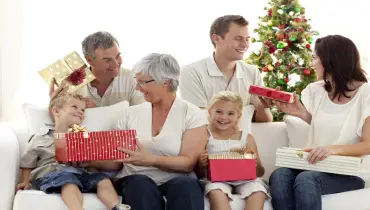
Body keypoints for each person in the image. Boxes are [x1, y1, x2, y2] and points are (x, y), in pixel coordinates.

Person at [269, 35, 370, 210]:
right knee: (280, 175)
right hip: (318, 164)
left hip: (352, 171)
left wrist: (330, 149)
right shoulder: (316, 90)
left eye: (315, 57)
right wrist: (299, 112)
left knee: (306, 179)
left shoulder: (366, 93)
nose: (312, 63)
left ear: (331, 60)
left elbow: (368, 145)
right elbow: (326, 123)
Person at [111, 53, 208, 210]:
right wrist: (89, 161)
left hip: (178, 178)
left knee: (187, 186)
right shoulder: (129, 114)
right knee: (140, 184)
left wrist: (151, 159)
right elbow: (115, 160)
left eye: (142, 82)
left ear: (165, 82)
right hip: (135, 178)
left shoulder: (192, 114)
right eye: (137, 81)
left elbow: (188, 163)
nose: (137, 87)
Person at [17, 93, 130, 210]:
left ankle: (116, 207)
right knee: (69, 180)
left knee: (103, 179)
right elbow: (27, 161)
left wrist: (88, 161)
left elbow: (93, 166)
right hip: (51, 175)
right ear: (56, 111)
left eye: (83, 110)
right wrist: (25, 181)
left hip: (80, 174)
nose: (80, 111)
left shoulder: (85, 137)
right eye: (74, 107)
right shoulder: (41, 136)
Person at [179, 15, 272, 122]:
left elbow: (264, 122)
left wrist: (262, 106)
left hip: (242, 138)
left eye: (247, 39)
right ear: (217, 39)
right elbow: (197, 121)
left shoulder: (252, 72)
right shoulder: (192, 72)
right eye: (238, 39)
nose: (245, 45)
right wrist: (245, 111)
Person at [198, 91, 268, 210]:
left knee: (258, 192)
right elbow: (198, 173)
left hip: (246, 180)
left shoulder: (247, 138)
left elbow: (260, 172)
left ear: (238, 116)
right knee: (216, 192)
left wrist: (253, 161)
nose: (224, 117)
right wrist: (201, 163)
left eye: (230, 113)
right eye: (219, 112)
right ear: (210, 112)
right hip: (215, 180)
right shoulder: (204, 135)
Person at [49, 31, 145, 108]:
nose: (116, 64)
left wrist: (96, 111)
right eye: (107, 60)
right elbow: (61, 121)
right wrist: (54, 102)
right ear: (89, 60)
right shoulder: (71, 83)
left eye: (118, 56)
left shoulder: (133, 79)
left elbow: (140, 117)